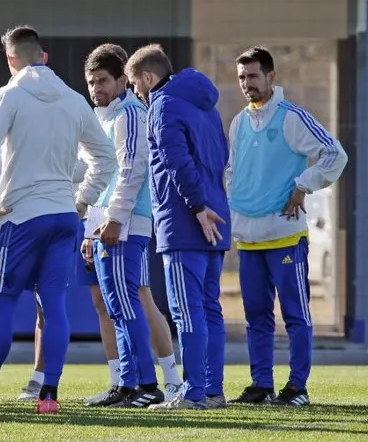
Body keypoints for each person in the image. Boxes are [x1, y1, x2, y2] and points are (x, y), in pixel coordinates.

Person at [0, 25, 116, 414]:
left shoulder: (8, 95)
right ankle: (49, 397)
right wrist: (83, 201)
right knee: (55, 305)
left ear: (10, 60)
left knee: (2, 303)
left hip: (21, 216)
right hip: (62, 216)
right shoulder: (75, 100)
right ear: (44, 57)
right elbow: (105, 159)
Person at [226, 47, 347, 406]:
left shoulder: (292, 117)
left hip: (285, 235)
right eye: (241, 77)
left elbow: (334, 153)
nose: (247, 83)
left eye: (252, 76)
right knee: (256, 317)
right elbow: (232, 173)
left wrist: (303, 185)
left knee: (295, 314)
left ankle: (297, 388)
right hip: (248, 238)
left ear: (271, 78)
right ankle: (261, 385)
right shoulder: (237, 123)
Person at [126, 44, 229, 410]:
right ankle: (213, 390)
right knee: (209, 308)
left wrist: (197, 207)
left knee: (188, 311)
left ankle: (194, 392)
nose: (135, 92)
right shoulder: (207, 106)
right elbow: (221, 156)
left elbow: (175, 160)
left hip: (186, 222)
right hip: (216, 217)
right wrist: (208, 205)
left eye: (135, 84)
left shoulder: (163, 105)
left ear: (149, 78)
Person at [79, 44, 182, 405]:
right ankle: (127, 383)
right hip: (106, 222)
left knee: (128, 303)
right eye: (91, 82)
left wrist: (114, 219)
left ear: (123, 79)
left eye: (103, 81)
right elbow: (95, 176)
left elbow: (132, 172)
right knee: (116, 306)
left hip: (127, 222)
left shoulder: (131, 114)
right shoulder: (102, 117)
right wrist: (93, 223)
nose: (96, 89)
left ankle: (147, 385)